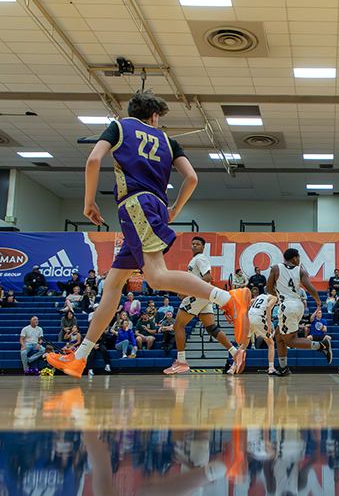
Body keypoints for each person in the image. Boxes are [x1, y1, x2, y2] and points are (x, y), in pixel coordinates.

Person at [49, 93, 253, 377]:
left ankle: (229, 299)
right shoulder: (169, 141)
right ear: (155, 116)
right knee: (113, 284)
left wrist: (89, 202)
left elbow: (93, 159)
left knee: (156, 276)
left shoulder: (119, 127)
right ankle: (80, 356)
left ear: (131, 111)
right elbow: (192, 178)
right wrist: (174, 210)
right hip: (152, 205)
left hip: (135, 205)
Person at [165, 236, 249, 375]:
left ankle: (181, 361)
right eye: (192, 244)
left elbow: (208, 277)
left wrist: (187, 291)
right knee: (212, 328)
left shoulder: (200, 258)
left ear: (203, 247)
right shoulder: (194, 260)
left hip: (197, 295)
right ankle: (235, 352)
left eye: (197, 244)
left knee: (178, 325)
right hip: (203, 297)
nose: (194, 246)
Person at [268, 248, 332, 377]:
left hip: (287, 306)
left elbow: (269, 288)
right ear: (295, 258)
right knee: (279, 337)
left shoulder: (275, 268)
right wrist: (318, 301)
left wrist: (280, 295)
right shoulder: (301, 271)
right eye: (299, 257)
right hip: (298, 305)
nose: (300, 260)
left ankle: (321, 345)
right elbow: (311, 289)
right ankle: (283, 368)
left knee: (290, 341)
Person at [231, 292, 278, 375]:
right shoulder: (274, 297)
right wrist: (269, 325)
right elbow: (268, 307)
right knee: (271, 343)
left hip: (249, 317)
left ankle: (233, 367)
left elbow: (248, 303)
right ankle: (271, 368)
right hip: (258, 318)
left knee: (244, 344)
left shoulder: (261, 296)